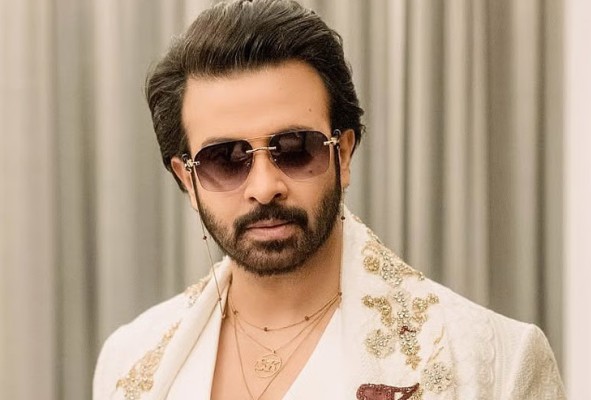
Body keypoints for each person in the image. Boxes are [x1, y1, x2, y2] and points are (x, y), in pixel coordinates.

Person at [92, 0, 566, 399]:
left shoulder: (495, 364)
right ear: (187, 178)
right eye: (226, 159)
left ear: (342, 154)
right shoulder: (128, 360)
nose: (264, 186)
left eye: (295, 148)